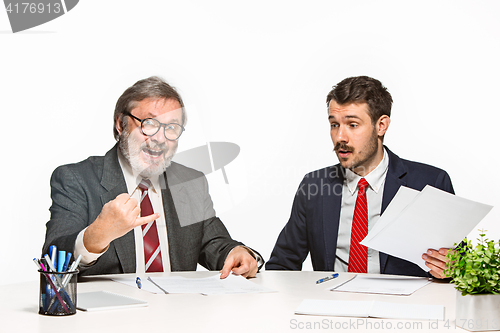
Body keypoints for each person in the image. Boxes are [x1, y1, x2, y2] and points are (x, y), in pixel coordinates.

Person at [43, 76, 262, 278]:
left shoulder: (190, 182)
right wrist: (95, 237)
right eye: (149, 124)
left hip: (179, 314)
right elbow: (52, 260)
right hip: (110, 318)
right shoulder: (76, 179)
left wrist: (236, 252)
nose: (159, 138)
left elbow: (214, 243)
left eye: (172, 128)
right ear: (121, 124)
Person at [266, 76, 452, 278]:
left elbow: (461, 263)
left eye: (352, 125)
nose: (340, 138)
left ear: (381, 125)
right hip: (332, 304)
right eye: (334, 125)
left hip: (402, 306)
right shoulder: (314, 185)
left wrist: (451, 266)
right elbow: (282, 266)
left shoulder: (429, 183)